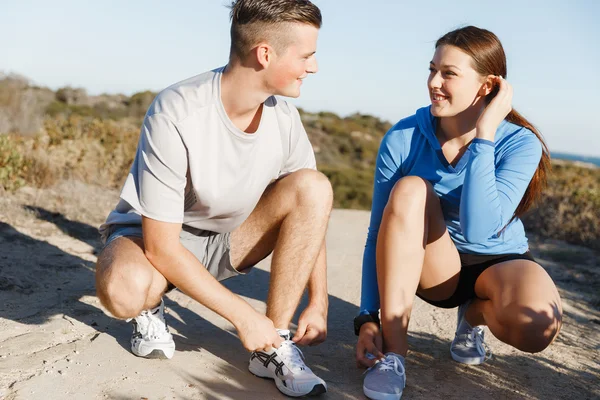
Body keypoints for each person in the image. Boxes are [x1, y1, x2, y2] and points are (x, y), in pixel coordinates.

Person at [95, 0, 332, 397]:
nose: (314, 67)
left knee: (313, 185)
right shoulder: (176, 111)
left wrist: (319, 300)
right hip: (154, 239)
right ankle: (150, 305)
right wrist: (242, 315)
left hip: (228, 239)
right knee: (123, 291)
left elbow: (312, 213)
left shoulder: (284, 117)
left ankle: (272, 345)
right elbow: (162, 246)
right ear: (264, 53)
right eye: (307, 56)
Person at [354, 26, 562, 400]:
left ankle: (473, 316)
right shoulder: (403, 137)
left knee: (537, 330)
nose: (434, 82)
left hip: (500, 258)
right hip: (437, 267)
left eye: (449, 73)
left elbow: (483, 231)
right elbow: (376, 234)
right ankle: (395, 355)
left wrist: (485, 134)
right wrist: (368, 316)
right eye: (432, 69)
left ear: (486, 86)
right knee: (411, 188)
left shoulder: (519, 142)